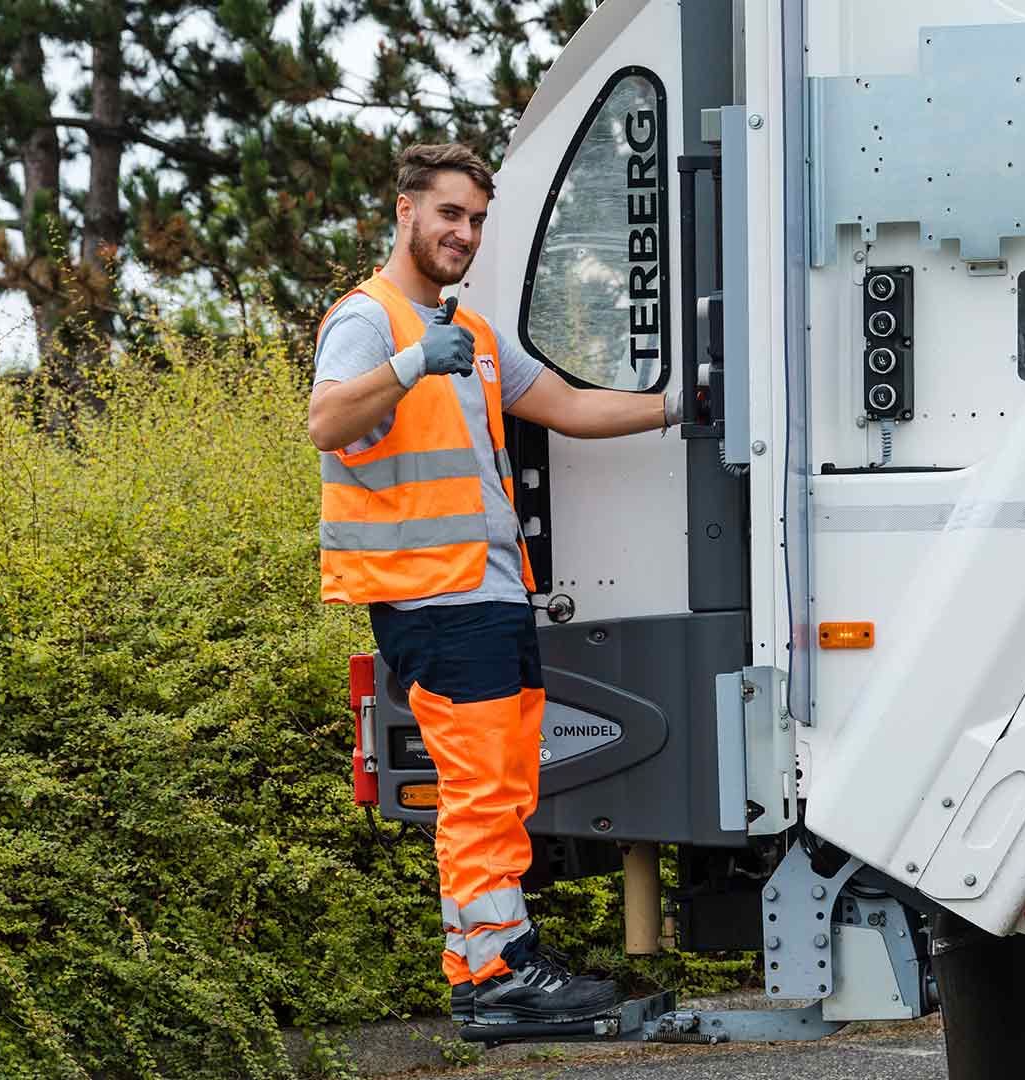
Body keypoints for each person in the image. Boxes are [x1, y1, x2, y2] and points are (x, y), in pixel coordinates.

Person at [307, 143, 676, 1024]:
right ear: (405, 211)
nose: (463, 234)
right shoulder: (372, 320)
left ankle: (488, 968)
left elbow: (572, 407)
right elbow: (325, 421)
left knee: (504, 786)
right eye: (448, 215)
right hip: (433, 598)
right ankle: (500, 977)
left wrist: (688, 402)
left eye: (475, 220)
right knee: (480, 789)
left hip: (491, 592)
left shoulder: (467, 335)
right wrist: (409, 365)